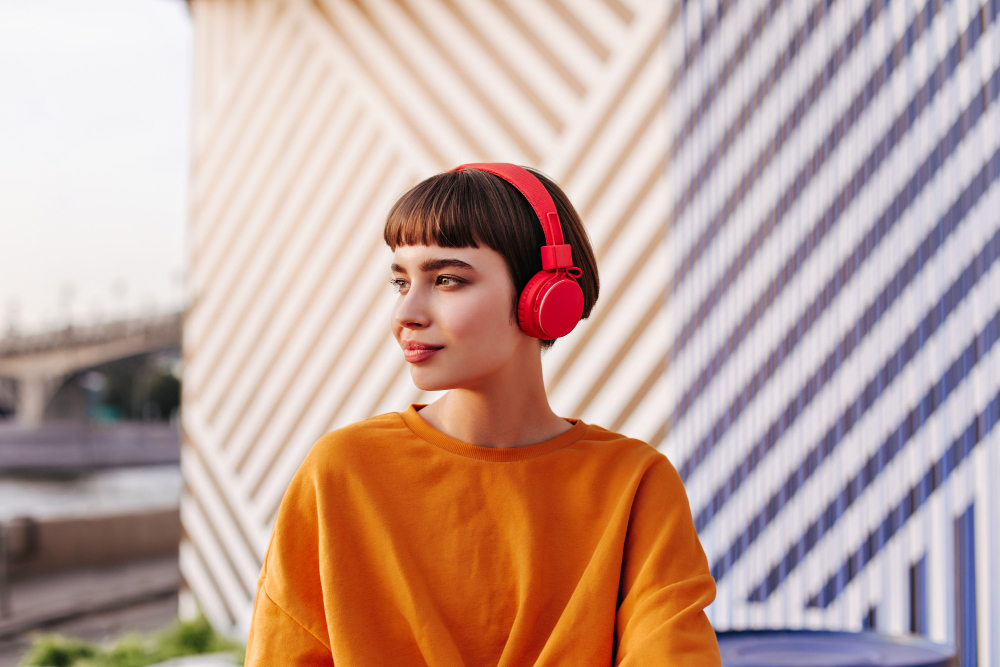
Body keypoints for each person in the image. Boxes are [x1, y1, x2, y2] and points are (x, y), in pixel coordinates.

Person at [244, 163, 721, 666]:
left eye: (447, 279)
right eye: (400, 282)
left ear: (547, 298)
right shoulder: (341, 471)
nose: (407, 312)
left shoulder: (636, 483)